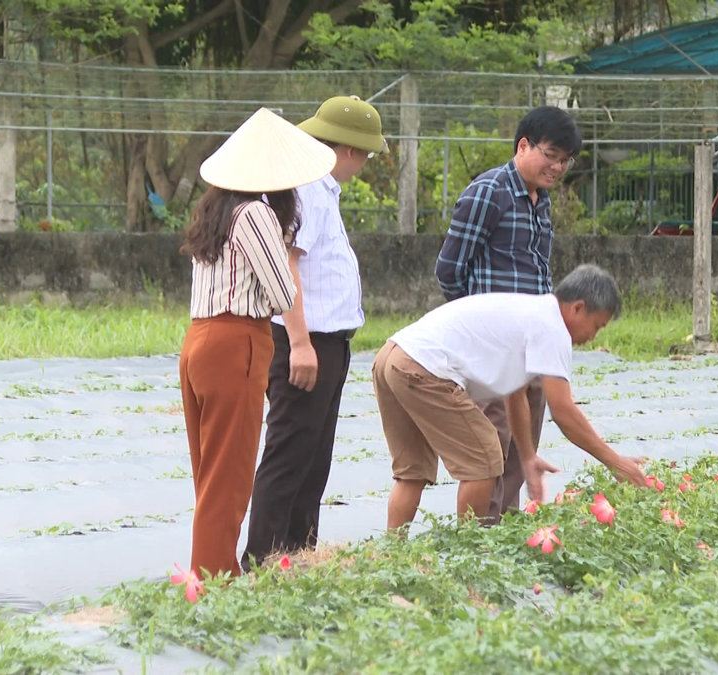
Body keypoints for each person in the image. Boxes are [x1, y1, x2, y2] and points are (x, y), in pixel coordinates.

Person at [178, 107, 336, 579]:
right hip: (237, 342)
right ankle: (210, 584)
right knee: (228, 479)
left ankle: (211, 573)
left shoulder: (214, 210)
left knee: (210, 474)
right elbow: (284, 291)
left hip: (199, 340)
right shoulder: (256, 214)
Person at [373, 264, 647, 531]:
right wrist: (617, 462)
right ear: (578, 308)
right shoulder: (552, 328)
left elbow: (515, 395)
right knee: (483, 458)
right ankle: (469, 557)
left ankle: (392, 557)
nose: (592, 337)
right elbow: (563, 411)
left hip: (391, 357)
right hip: (421, 367)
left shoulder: (531, 313)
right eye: (596, 326)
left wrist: (528, 457)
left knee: (412, 473)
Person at [242, 95, 386, 571]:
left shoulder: (322, 191)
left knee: (312, 460)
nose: (363, 164)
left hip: (329, 343)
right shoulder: (306, 189)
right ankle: (263, 560)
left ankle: (298, 558)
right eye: (364, 154)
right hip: (305, 342)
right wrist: (301, 343)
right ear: (345, 149)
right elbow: (287, 266)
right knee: (288, 456)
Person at [434, 105, 582, 523]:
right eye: (550, 154)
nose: (556, 166)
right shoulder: (489, 191)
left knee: (523, 448)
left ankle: (505, 537)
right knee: (491, 447)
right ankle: (479, 539)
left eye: (564, 160)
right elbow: (449, 270)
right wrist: (479, 331)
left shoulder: (541, 201)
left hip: (532, 347)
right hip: (494, 351)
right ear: (523, 145)